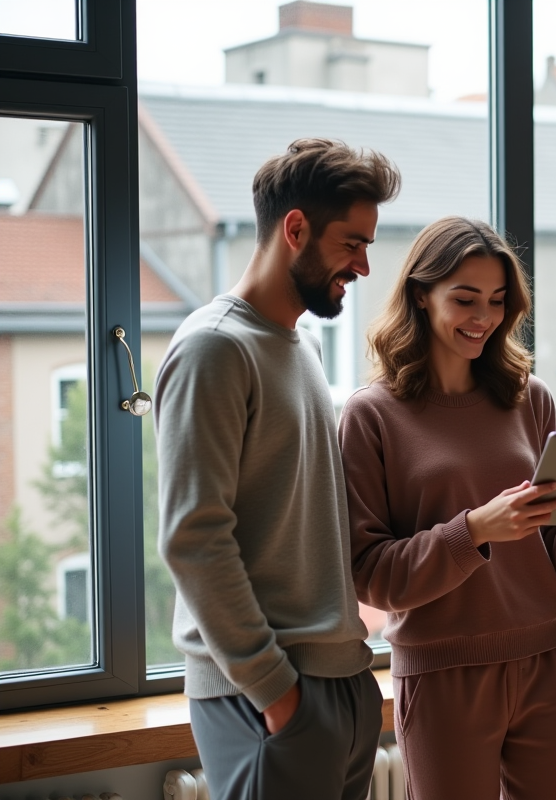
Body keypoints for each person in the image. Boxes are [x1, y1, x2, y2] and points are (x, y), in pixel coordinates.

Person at [339, 215, 556, 800]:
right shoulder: (370, 415)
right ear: (421, 295)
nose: (484, 318)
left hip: (547, 656)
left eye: (497, 301)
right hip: (443, 672)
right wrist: (472, 530)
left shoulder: (528, 398)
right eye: (465, 299)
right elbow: (370, 577)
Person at [155, 138, 400, 800]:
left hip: (339, 685)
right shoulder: (213, 349)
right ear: (295, 230)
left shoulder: (302, 345)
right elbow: (194, 539)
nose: (365, 266)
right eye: (353, 243)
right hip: (270, 697)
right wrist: (277, 693)